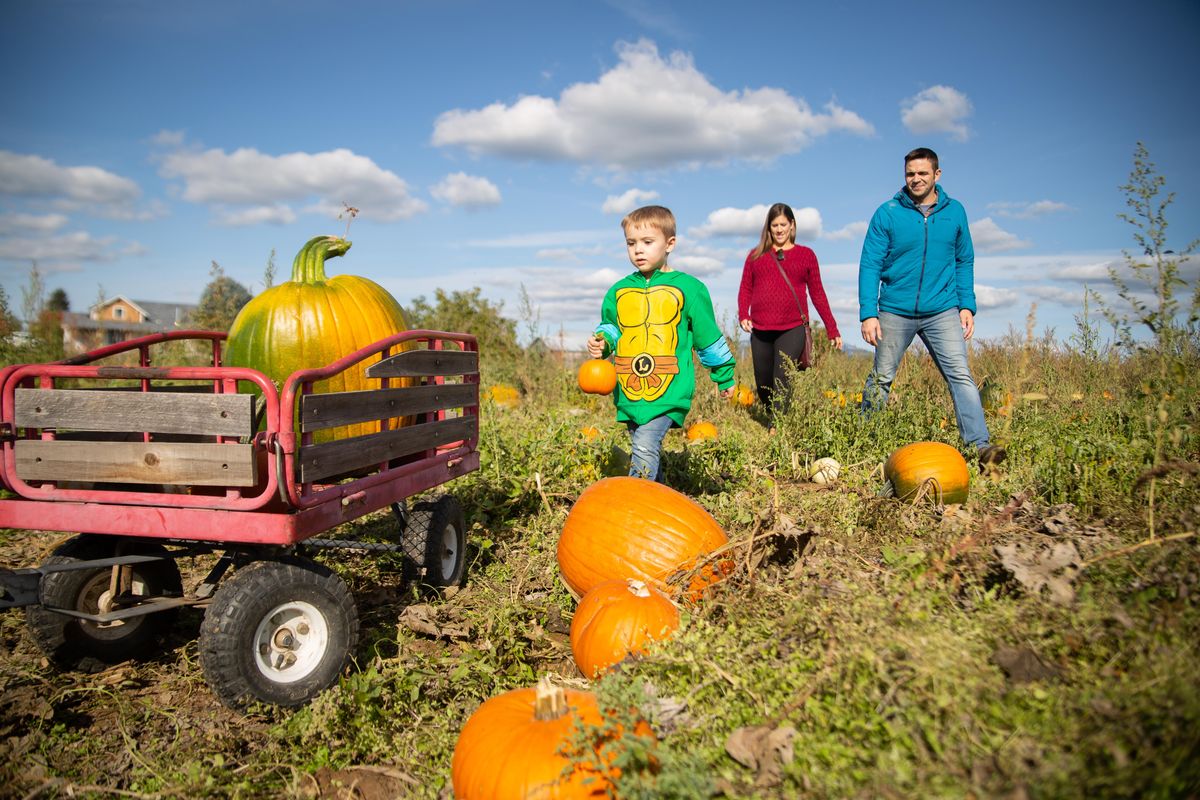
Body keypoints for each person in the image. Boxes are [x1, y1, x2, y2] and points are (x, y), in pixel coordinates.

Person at [858, 147, 1005, 468]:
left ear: (937, 175)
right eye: (910, 173)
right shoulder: (888, 213)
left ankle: (981, 447)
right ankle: (862, 442)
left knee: (961, 376)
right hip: (894, 309)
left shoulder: (955, 212)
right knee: (881, 378)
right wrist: (868, 312)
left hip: (942, 310)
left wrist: (967, 305)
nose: (916, 179)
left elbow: (964, 259)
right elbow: (870, 263)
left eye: (922, 173)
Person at [587, 205, 736, 482]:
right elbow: (610, 328)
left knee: (644, 446)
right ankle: (662, 498)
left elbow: (707, 336)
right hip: (628, 388)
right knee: (645, 447)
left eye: (647, 242)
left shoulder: (689, 288)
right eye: (631, 243)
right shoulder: (617, 291)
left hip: (669, 388)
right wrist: (602, 343)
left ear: (670, 244)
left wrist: (724, 376)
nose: (638, 250)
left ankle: (636, 508)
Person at [737, 203, 842, 411]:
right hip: (760, 329)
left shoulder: (807, 255)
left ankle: (777, 424)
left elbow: (818, 294)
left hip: (792, 328)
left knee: (783, 377)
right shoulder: (755, 256)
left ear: (792, 225)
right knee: (763, 382)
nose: (779, 229)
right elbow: (745, 288)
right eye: (774, 225)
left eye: (783, 224)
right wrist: (743, 313)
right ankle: (771, 411)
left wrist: (832, 329)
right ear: (768, 227)